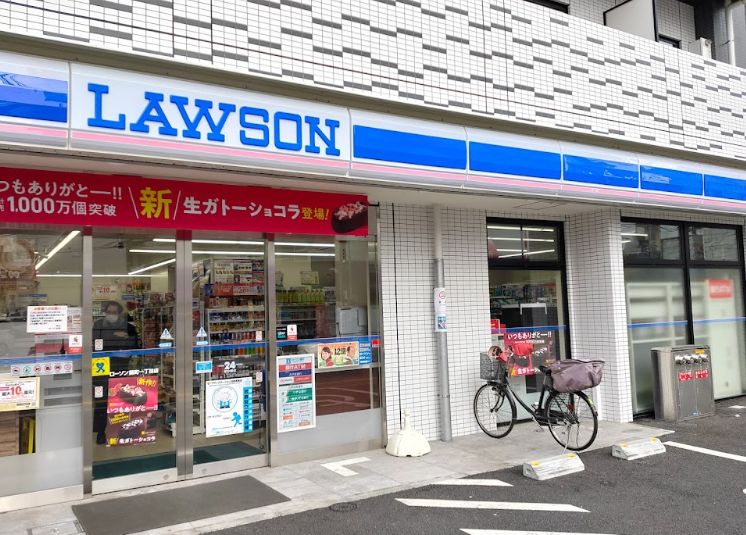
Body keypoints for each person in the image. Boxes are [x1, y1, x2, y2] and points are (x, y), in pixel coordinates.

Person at [92, 301, 140, 445]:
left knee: (120, 399)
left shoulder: (129, 327)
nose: (111, 315)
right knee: (101, 400)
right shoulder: (98, 325)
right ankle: (100, 432)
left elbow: (136, 346)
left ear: (119, 313)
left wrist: (125, 339)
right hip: (101, 367)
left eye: (114, 312)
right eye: (109, 312)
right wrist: (117, 337)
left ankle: (119, 430)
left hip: (120, 367)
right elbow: (95, 343)